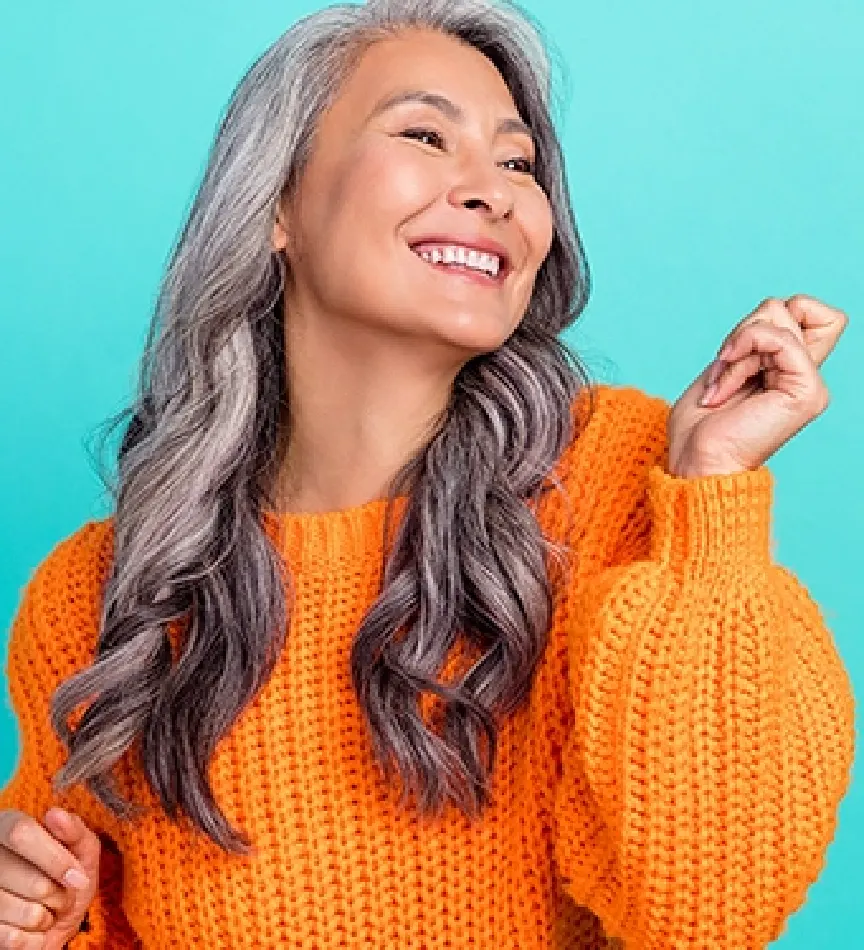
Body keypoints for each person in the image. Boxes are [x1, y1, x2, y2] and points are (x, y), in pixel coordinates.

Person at [0, 0, 855, 947]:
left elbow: (713, 908)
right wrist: (46, 925)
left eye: (519, 162)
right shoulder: (99, 600)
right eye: (425, 134)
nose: (492, 190)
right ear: (277, 202)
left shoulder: (626, 484)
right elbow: (78, 916)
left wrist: (713, 507)